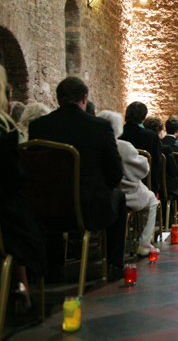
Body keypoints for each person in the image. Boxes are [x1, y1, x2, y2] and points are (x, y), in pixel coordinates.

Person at [28, 77, 127, 280]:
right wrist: (101, 189)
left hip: (46, 207)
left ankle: (54, 267)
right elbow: (115, 171)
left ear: (58, 99)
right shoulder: (100, 126)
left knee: (56, 193)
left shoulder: (38, 126)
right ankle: (114, 265)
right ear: (84, 98)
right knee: (119, 198)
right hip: (88, 207)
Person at [0, 66, 47, 313]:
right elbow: (13, 182)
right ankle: (24, 291)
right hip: (7, 212)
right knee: (27, 229)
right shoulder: (5, 133)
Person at [98, 110, 159, 256]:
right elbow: (142, 170)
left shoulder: (92, 145)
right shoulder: (123, 146)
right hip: (125, 193)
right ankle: (144, 243)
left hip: (99, 192)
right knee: (151, 201)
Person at [120, 102, 163, 196]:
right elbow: (157, 164)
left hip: (120, 183)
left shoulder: (118, 133)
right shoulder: (152, 137)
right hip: (146, 184)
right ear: (143, 117)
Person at [143, 116, 178, 218]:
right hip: (161, 186)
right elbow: (174, 171)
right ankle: (167, 220)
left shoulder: (141, 148)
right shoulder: (164, 149)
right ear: (160, 132)